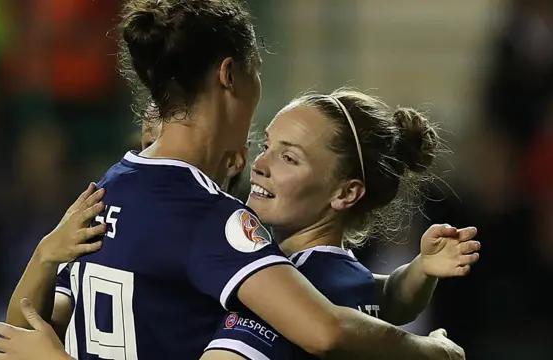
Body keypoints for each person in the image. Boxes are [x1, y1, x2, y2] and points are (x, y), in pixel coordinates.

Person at [0, 1, 467, 359]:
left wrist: (43, 255)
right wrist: (431, 353)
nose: (260, 161)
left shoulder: (109, 188)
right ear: (230, 75)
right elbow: (326, 329)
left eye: (289, 156)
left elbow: (18, 338)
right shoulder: (215, 221)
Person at [202, 89, 480, 359]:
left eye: (289, 158)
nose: (259, 163)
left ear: (345, 193)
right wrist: (422, 269)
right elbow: (392, 301)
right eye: (267, 146)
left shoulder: (294, 288)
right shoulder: (348, 277)